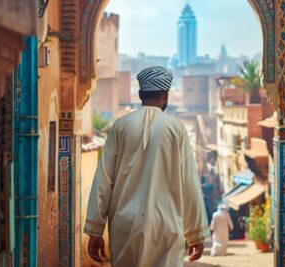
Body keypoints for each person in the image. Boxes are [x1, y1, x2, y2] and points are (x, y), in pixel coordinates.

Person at [83, 66, 210, 267]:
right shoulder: (176, 128)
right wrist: (195, 234)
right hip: (166, 227)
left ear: (140, 94)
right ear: (166, 95)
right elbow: (189, 182)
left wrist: (95, 230)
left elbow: (104, 180)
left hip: (124, 227)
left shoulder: (120, 126)